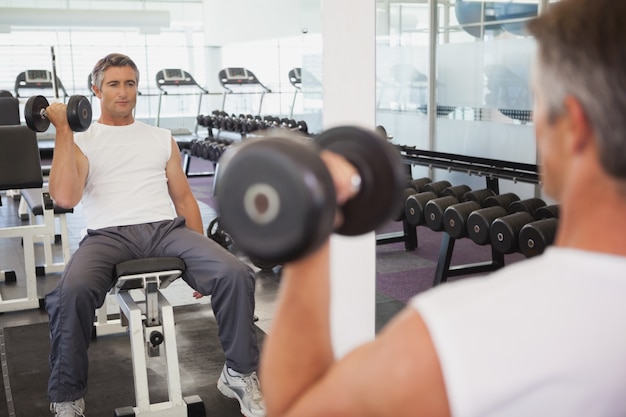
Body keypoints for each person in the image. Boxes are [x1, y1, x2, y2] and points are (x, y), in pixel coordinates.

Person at [259, 0, 626, 416]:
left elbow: (294, 408)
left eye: (537, 102)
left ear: (574, 127)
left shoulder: (470, 334)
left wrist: (313, 219)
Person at [45, 53, 265, 417]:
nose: (123, 92)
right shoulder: (84, 140)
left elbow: (183, 199)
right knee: (71, 292)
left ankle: (238, 374)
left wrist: (203, 259)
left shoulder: (161, 138)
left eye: (130, 83)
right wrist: (64, 131)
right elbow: (66, 196)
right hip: (107, 236)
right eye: (114, 84)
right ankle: (67, 396)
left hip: (165, 230)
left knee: (235, 273)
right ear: (95, 90)